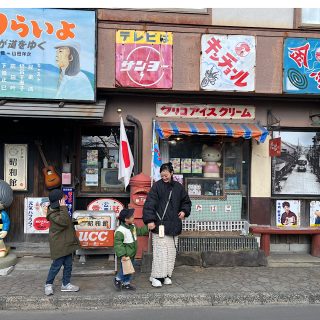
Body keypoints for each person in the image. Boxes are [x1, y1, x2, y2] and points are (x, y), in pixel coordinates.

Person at [143, 162, 192, 288]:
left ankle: (166, 275)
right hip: (159, 224)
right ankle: (155, 276)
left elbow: (186, 202)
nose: (164, 178)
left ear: (171, 173)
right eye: (162, 175)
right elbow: (149, 204)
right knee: (160, 252)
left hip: (174, 225)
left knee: (171, 253)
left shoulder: (178, 187)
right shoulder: (156, 187)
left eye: (166, 175)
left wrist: (184, 211)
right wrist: (150, 220)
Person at [44, 189, 80, 296]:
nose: (65, 199)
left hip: (67, 242)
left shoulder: (59, 210)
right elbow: (63, 222)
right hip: (59, 244)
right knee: (56, 266)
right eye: (63, 197)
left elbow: (66, 221)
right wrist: (64, 207)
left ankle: (66, 284)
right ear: (59, 200)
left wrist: (78, 221)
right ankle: (48, 284)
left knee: (68, 265)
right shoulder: (52, 213)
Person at [113, 208, 148, 291]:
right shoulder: (120, 230)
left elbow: (139, 232)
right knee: (125, 270)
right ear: (126, 219)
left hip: (132, 253)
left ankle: (126, 283)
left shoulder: (132, 226)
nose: (134, 217)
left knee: (129, 269)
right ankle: (117, 279)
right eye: (132, 216)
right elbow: (118, 244)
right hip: (125, 255)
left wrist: (147, 228)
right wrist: (122, 255)